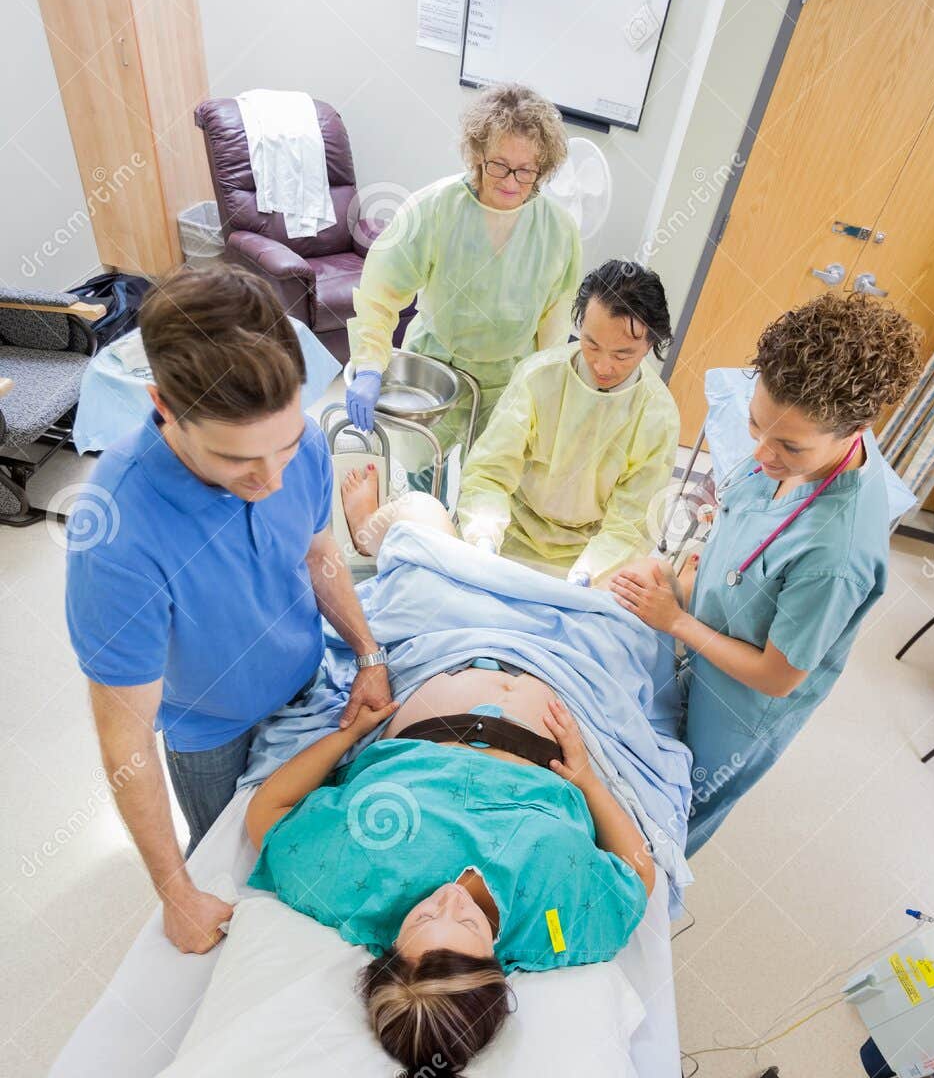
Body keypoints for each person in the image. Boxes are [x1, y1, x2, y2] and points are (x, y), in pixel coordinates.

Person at [245, 485, 655, 1078]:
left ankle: (374, 525)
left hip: (438, 648)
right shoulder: (561, 927)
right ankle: (532, 558)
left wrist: (360, 731)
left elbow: (267, 813)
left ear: (388, 949)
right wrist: (585, 779)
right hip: (568, 667)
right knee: (633, 577)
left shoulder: (348, 887)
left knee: (421, 519)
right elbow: (639, 873)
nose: (445, 902)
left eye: (419, 920)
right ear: (499, 965)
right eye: (463, 925)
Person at [65, 265, 391, 955]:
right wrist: (177, 894)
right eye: (236, 460)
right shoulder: (116, 530)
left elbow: (317, 550)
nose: (270, 479)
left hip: (307, 682)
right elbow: (125, 740)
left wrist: (366, 652)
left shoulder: (294, 443)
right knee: (237, 868)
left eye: (282, 448)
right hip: (210, 732)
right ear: (163, 405)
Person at [611, 293, 924, 853]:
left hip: (742, 703)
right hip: (706, 632)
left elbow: (779, 677)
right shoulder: (794, 431)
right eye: (756, 425)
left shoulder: (836, 553)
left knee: (674, 810)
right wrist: (679, 576)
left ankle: (641, 900)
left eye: (788, 446)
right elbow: (738, 525)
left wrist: (676, 621)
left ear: (853, 431)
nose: (761, 454)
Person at [345, 81, 581, 436]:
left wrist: (544, 390)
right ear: (477, 156)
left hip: (508, 380)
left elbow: (555, 322)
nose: (512, 182)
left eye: (526, 170)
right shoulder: (434, 209)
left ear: (542, 168)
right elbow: (380, 294)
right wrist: (368, 366)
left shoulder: (558, 230)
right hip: (433, 369)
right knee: (422, 476)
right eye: (500, 165)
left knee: (485, 481)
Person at [455, 261, 679, 584]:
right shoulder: (538, 378)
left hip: (591, 554)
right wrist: (484, 539)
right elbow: (488, 474)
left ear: (650, 343)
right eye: (591, 344)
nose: (603, 365)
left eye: (622, 355)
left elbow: (628, 526)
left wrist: (586, 575)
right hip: (510, 533)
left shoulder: (658, 417)